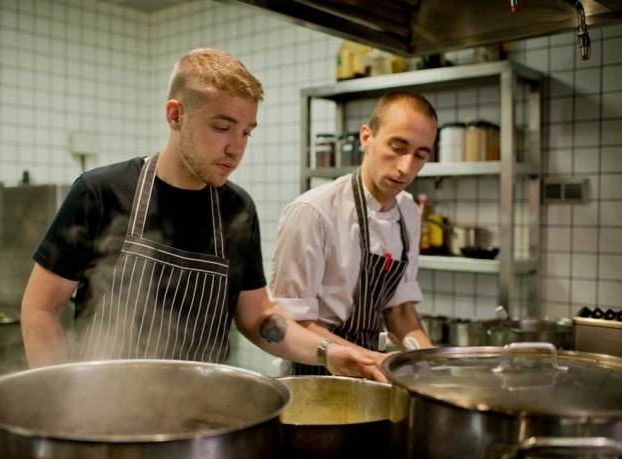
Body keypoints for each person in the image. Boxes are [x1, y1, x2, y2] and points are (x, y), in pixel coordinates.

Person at [20, 47, 384, 381]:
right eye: (222, 128)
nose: (235, 148)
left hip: (201, 411)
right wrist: (63, 401)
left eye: (246, 133)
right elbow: (41, 309)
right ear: (176, 115)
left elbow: (257, 318)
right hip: (106, 411)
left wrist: (327, 353)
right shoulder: (100, 192)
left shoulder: (237, 209)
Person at [269, 90, 437, 376]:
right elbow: (289, 322)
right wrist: (372, 360)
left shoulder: (408, 212)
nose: (406, 167)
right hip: (313, 372)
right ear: (366, 137)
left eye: (420, 155)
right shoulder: (313, 212)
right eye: (398, 147)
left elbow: (399, 309)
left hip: (367, 369)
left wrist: (433, 365)